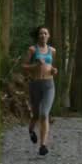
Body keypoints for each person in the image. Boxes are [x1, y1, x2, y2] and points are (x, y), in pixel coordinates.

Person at [21, 26, 57, 156]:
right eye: (41, 33)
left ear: (49, 36)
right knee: (36, 115)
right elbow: (23, 66)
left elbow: (51, 66)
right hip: (35, 85)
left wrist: (53, 70)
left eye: (45, 33)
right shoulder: (32, 49)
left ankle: (43, 145)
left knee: (44, 114)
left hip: (49, 85)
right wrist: (35, 65)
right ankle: (31, 131)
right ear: (38, 36)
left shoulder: (52, 50)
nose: (43, 35)